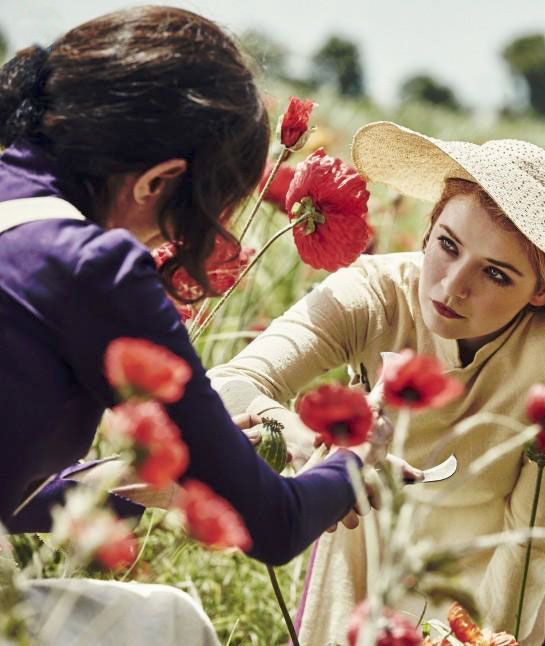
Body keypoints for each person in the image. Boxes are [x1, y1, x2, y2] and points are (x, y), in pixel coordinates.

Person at [208, 121, 545, 645]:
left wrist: (481, 639)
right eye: (447, 246)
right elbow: (227, 383)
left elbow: (532, 536)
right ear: (429, 226)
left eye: (495, 274)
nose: (452, 285)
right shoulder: (374, 293)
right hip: (370, 552)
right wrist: (296, 433)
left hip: (504, 576)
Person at [0, 7, 366, 642]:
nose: (168, 243)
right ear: (159, 182)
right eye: (187, 221)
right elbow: (274, 527)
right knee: (169, 626)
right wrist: (361, 464)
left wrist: (129, 482)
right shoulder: (88, 266)